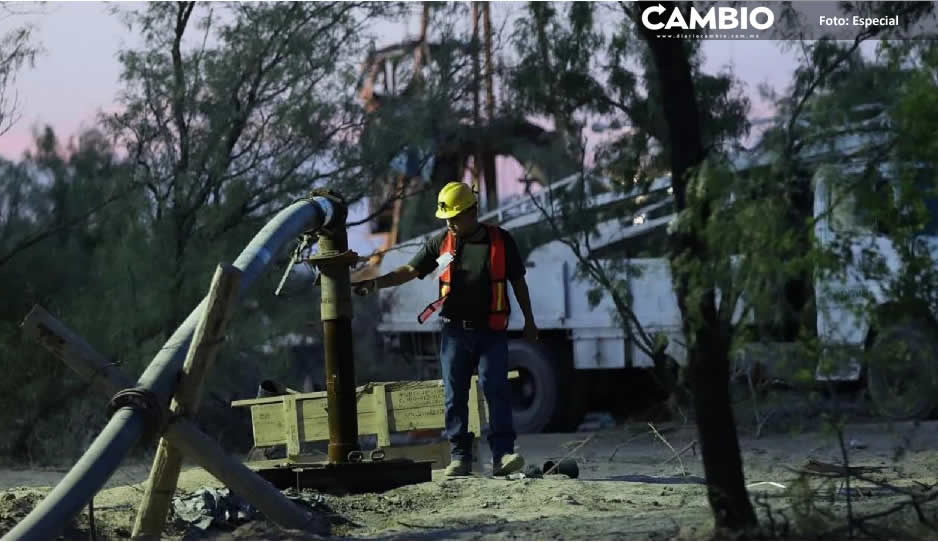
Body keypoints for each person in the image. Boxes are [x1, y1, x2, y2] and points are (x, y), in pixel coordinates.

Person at [352, 181, 539, 477]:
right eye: (447, 218)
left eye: (455, 217)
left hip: (491, 332)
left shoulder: (500, 241)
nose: (450, 223)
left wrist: (530, 321)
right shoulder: (442, 242)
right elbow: (410, 271)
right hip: (454, 332)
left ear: (472, 212)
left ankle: (503, 455)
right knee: (454, 395)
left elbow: (518, 282)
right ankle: (460, 457)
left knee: (496, 389)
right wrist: (375, 283)